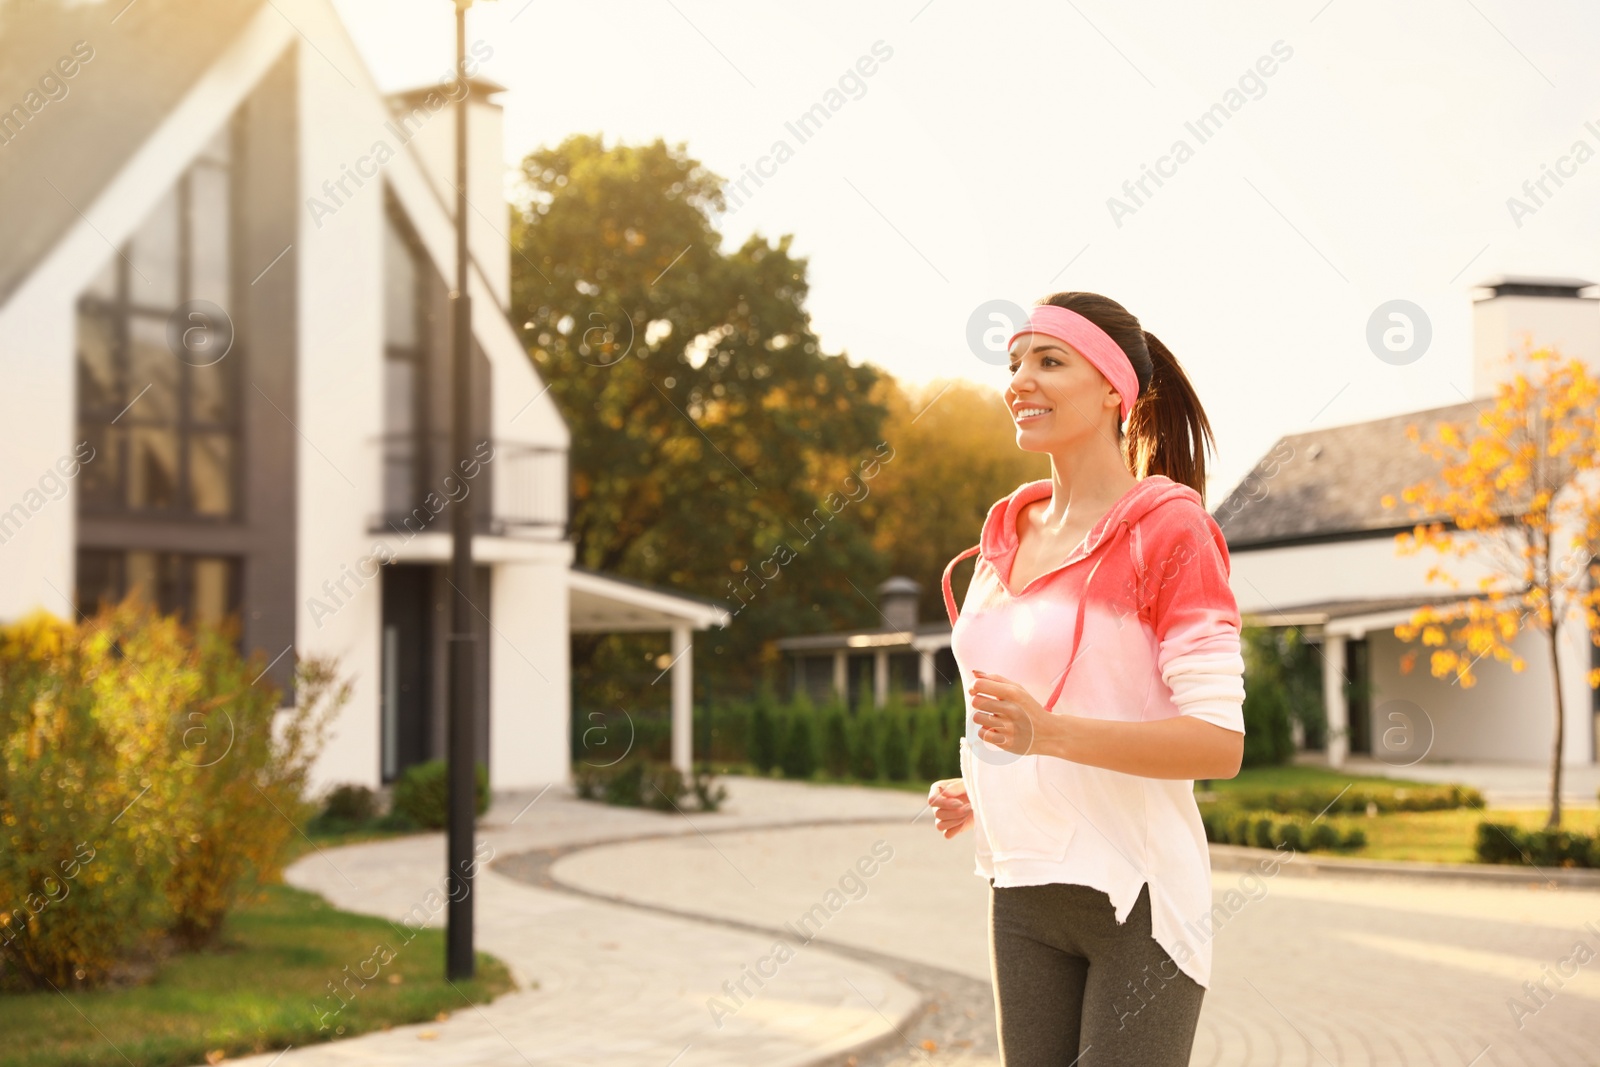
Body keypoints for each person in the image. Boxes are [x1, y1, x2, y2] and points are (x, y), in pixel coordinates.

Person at [925, 292, 1247, 1066]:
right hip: (1024, 890)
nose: (1019, 381)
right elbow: (1024, 706)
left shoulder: (1171, 531)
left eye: (1049, 360)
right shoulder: (1002, 541)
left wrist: (1051, 736)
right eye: (1013, 364)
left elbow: (1218, 743)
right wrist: (992, 778)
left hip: (1140, 900)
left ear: (1113, 387)